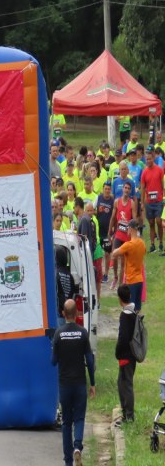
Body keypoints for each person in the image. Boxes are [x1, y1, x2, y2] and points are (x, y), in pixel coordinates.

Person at [52, 299, 96, 466]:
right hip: (79, 384)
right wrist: (92, 383)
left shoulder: (58, 334)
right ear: (77, 313)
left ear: (63, 313)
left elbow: (53, 361)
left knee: (66, 422)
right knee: (79, 418)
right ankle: (77, 446)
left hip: (64, 385)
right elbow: (90, 361)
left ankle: (68, 461)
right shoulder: (83, 333)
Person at [111, 219, 146, 311]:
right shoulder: (142, 243)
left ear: (130, 229)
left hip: (131, 281)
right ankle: (136, 325)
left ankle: (130, 325)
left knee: (129, 309)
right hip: (140, 280)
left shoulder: (128, 245)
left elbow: (114, 253)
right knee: (137, 309)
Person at [114, 284, 137, 424]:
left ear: (120, 298)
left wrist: (117, 352)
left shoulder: (125, 315)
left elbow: (123, 338)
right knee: (122, 383)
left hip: (125, 356)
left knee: (125, 385)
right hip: (132, 355)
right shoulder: (134, 312)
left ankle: (128, 416)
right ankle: (126, 413)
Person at [140, 145, 164, 253]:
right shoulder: (144, 172)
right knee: (150, 223)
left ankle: (161, 242)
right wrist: (142, 202)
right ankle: (153, 244)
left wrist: (163, 197)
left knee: (159, 221)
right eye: (147, 159)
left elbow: (163, 185)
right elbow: (143, 187)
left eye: (150, 159)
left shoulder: (159, 170)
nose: (148, 161)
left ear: (153, 158)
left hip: (158, 200)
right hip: (149, 201)